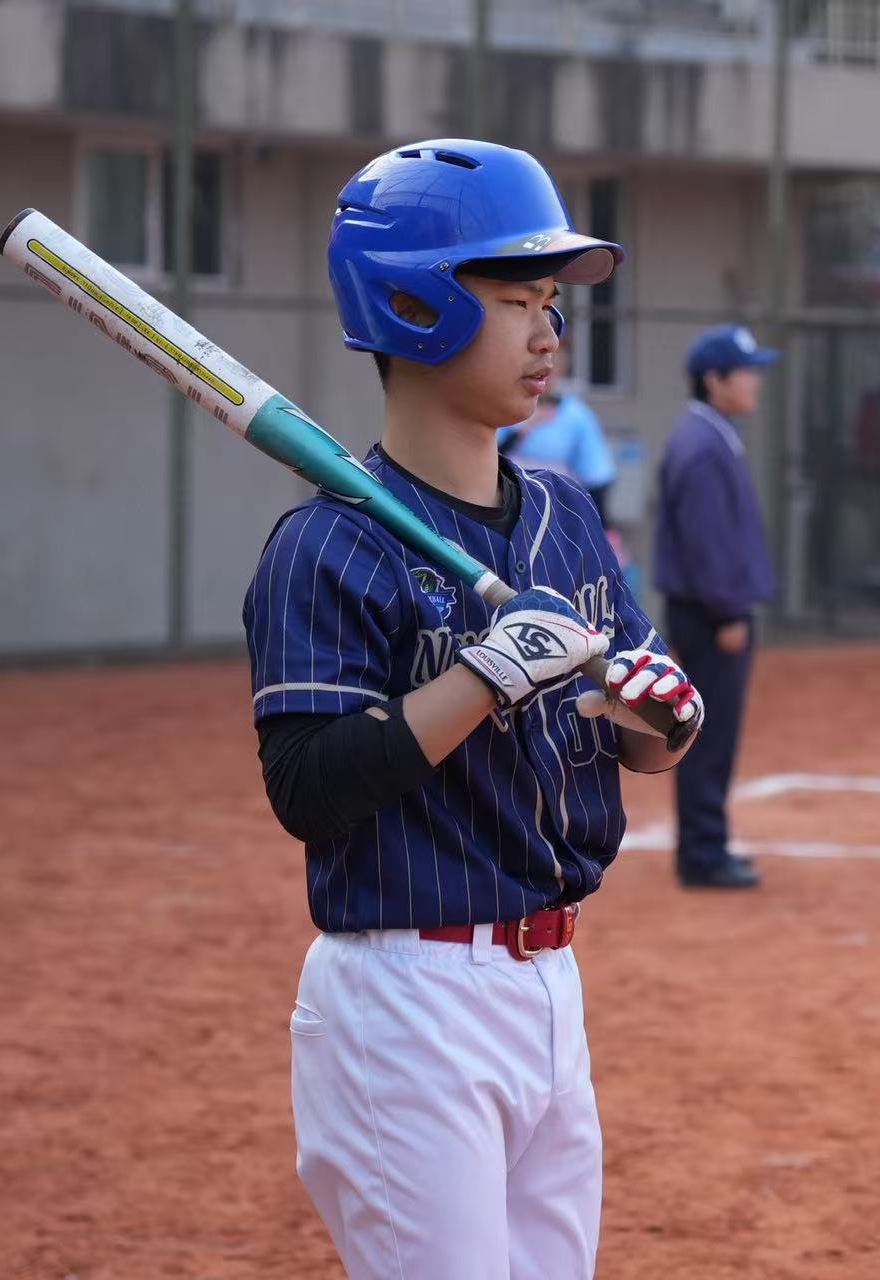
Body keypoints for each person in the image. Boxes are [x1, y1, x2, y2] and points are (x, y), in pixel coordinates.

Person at [244, 138, 707, 1280]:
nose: (551, 335)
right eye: (516, 302)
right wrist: (484, 675)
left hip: (551, 982)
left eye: (553, 304)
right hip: (410, 997)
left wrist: (660, 720)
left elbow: (636, 737)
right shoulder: (326, 547)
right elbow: (308, 790)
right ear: (415, 307)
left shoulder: (563, 512)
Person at [652, 323, 778, 891]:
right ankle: (703, 852)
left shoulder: (708, 435)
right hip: (710, 613)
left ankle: (708, 843)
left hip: (706, 609)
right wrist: (728, 612)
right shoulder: (703, 444)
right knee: (710, 732)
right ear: (714, 379)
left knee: (715, 730)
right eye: (746, 372)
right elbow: (707, 542)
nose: (755, 382)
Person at [496, 335, 619, 524]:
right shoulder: (506, 407)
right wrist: (522, 431)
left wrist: (601, 529)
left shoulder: (577, 415)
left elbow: (596, 477)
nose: (546, 371)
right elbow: (490, 455)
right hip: (509, 509)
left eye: (555, 363)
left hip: (559, 514)